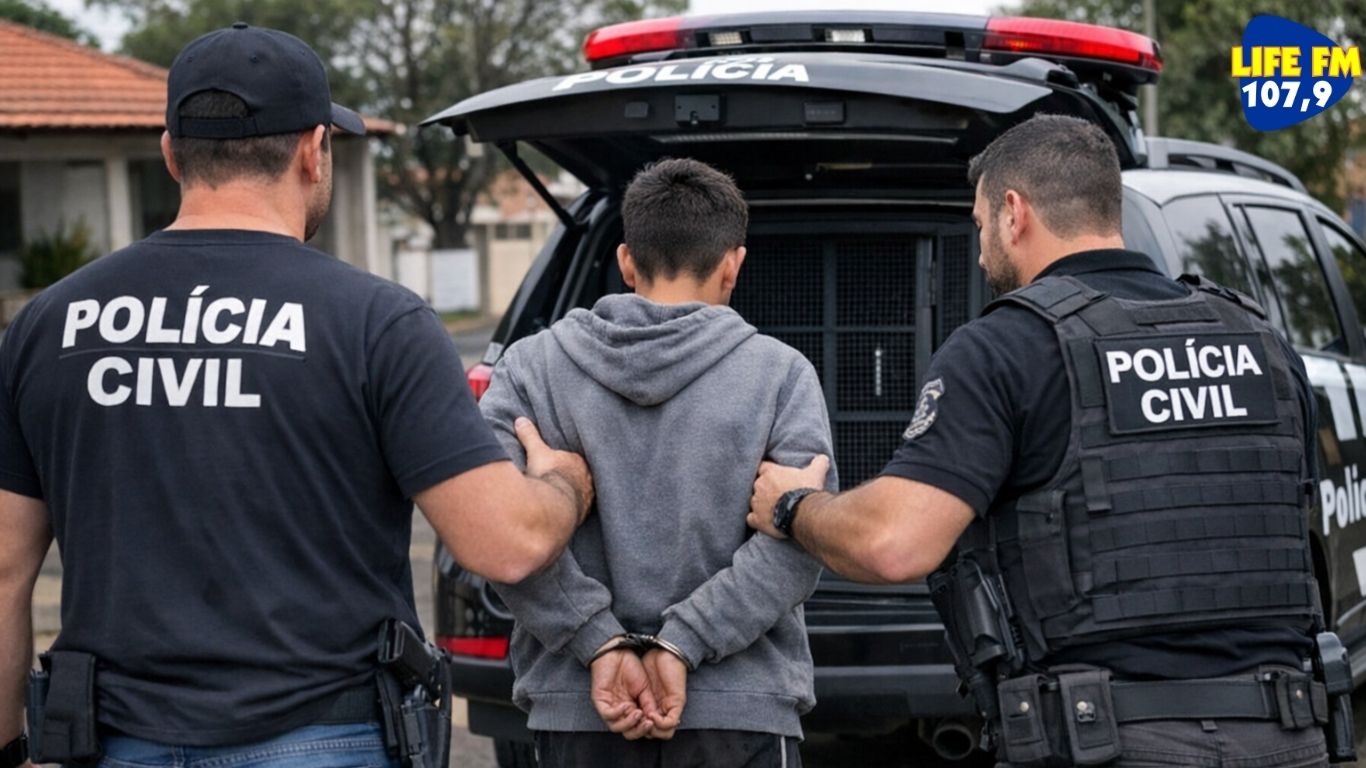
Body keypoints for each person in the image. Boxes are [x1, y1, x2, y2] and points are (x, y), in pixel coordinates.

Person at [0, 23, 594, 768]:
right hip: (323, 737)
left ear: (171, 153)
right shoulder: (377, 321)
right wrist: (563, 483)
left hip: (113, 741)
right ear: (315, 151)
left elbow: (4, 567)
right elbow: (503, 544)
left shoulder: (48, 325)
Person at [749, 114, 1341, 767]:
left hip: (1108, 742)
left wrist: (793, 506)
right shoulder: (1261, 341)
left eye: (978, 227)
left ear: (1013, 212)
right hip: (1288, 734)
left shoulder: (1008, 347)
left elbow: (894, 545)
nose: (978, 253)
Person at [479, 157, 835, 768]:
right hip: (740, 713)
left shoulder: (528, 370)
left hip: (579, 711)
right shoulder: (780, 375)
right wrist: (683, 642)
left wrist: (598, 641)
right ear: (733, 265)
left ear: (625, 263)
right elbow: (801, 544)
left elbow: (495, 533)